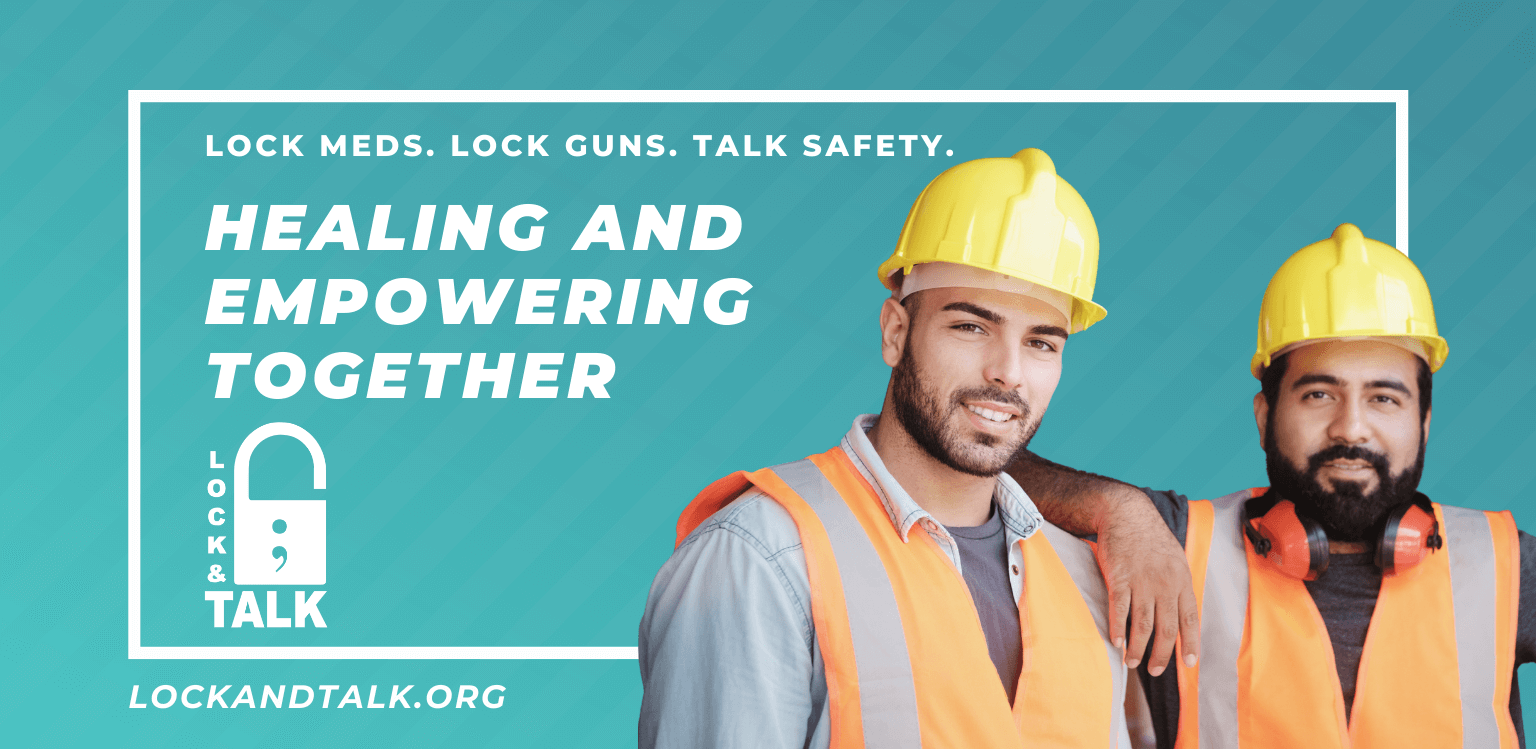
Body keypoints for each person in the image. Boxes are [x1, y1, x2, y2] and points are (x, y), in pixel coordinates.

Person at [638, 148, 1196, 749]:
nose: (1008, 373)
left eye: (1041, 343)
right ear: (895, 333)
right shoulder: (762, 559)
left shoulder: (1086, 579)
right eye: (970, 327)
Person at [1012, 223, 1534, 748]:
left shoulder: (1504, 564)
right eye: (1319, 395)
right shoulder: (1176, 543)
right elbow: (983, 462)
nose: (1351, 427)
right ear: (1265, 417)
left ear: (1422, 423)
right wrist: (1116, 509)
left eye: (1384, 398)